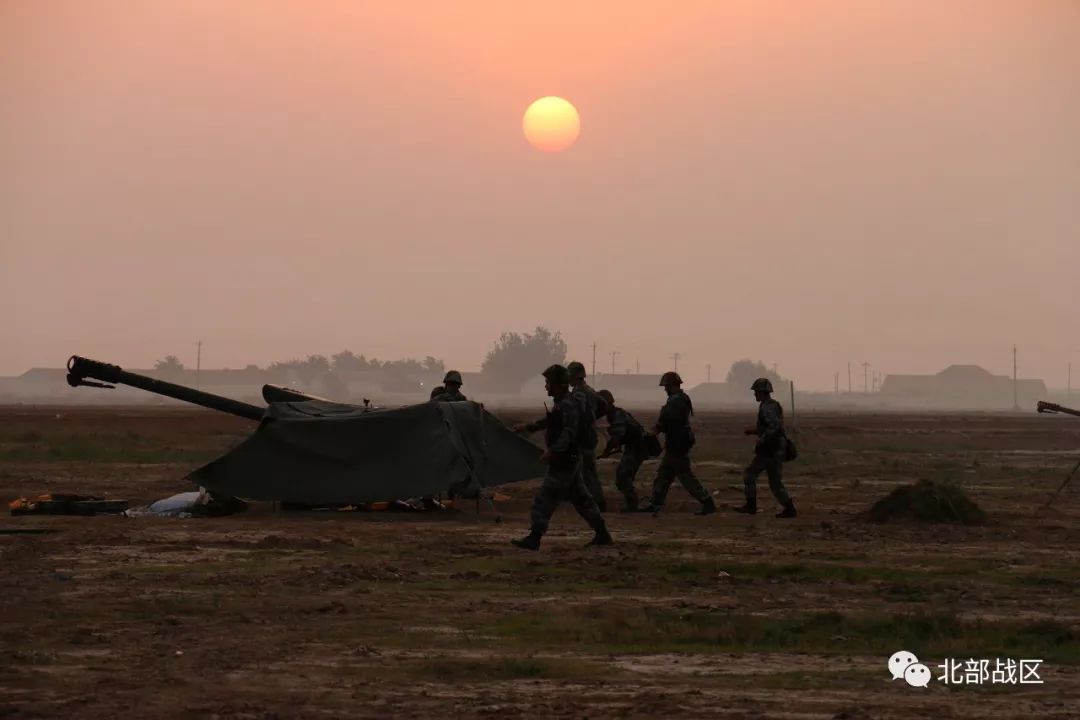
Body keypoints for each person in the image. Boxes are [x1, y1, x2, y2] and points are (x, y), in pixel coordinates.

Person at [511, 365, 613, 551]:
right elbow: (550, 422)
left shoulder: (568, 404)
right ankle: (603, 534)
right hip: (569, 459)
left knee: (544, 499)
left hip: (565, 460)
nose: (546, 387)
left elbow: (569, 431)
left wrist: (554, 451)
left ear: (558, 384)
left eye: (548, 383)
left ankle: (535, 537)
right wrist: (527, 428)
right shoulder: (562, 403)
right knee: (582, 499)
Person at [640, 371, 716, 516]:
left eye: (666, 386)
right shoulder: (682, 399)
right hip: (676, 443)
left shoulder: (676, 401)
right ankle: (655, 503)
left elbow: (666, 420)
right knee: (663, 475)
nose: (665, 389)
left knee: (685, 477)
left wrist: (653, 432)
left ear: (672, 386)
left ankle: (707, 502)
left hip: (677, 444)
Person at [736, 378, 797, 518]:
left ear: (763, 392)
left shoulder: (767, 407)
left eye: (756, 391)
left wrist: (762, 439)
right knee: (775, 482)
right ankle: (789, 508)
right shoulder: (770, 405)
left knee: (750, 475)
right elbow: (769, 426)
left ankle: (751, 506)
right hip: (776, 449)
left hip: (770, 449)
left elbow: (774, 426)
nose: (755, 394)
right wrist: (753, 431)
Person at [596, 389, 648, 512]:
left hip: (637, 447)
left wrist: (608, 449)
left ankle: (633, 505)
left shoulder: (617, 415)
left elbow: (618, 435)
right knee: (624, 476)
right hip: (634, 447)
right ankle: (633, 503)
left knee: (623, 476)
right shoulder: (614, 415)